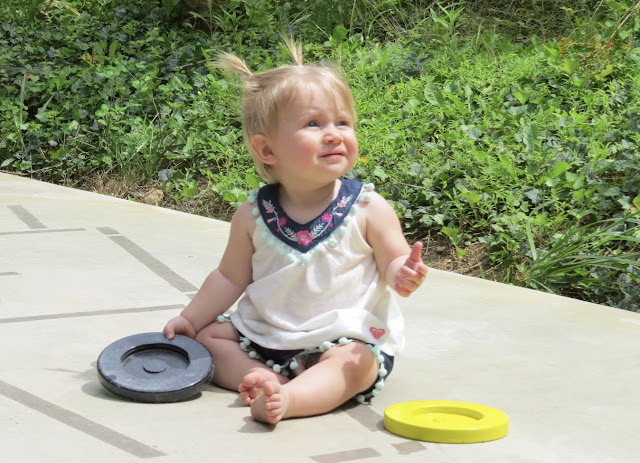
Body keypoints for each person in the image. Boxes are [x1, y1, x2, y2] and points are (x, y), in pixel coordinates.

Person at [163, 37, 428, 425]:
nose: (334, 133)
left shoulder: (368, 207)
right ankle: (268, 381)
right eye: (313, 124)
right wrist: (190, 319)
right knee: (209, 340)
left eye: (343, 122)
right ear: (267, 151)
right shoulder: (253, 214)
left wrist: (403, 272)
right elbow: (229, 278)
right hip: (264, 337)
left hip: (340, 338)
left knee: (357, 364)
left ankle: (288, 399)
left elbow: (394, 259)